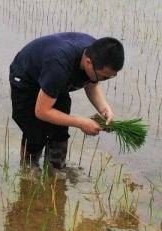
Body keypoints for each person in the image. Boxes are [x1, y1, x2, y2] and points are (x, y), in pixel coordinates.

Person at [9, 33, 124, 169]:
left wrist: (105, 109)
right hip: (26, 78)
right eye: (104, 77)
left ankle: (55, 170)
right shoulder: (59, 65)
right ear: (88, 63)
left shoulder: (97, 54)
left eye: (109, 78)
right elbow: (42, 111)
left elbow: (92, 85)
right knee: (35, 134)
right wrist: (81, 123)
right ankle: (28, 168)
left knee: (60, 132)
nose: (103, 80)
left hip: (54, 79)